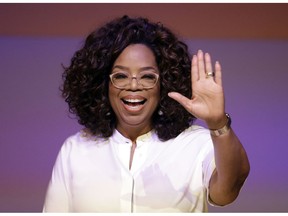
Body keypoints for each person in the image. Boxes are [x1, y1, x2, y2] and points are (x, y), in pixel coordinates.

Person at [43, 15, 250, 212]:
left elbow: (228, 190)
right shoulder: (75, 150)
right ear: (103, 84)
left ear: (164, 83)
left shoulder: (196, 143)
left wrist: (218, 124)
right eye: (121, 76)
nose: (134, 86)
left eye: (147, 76)